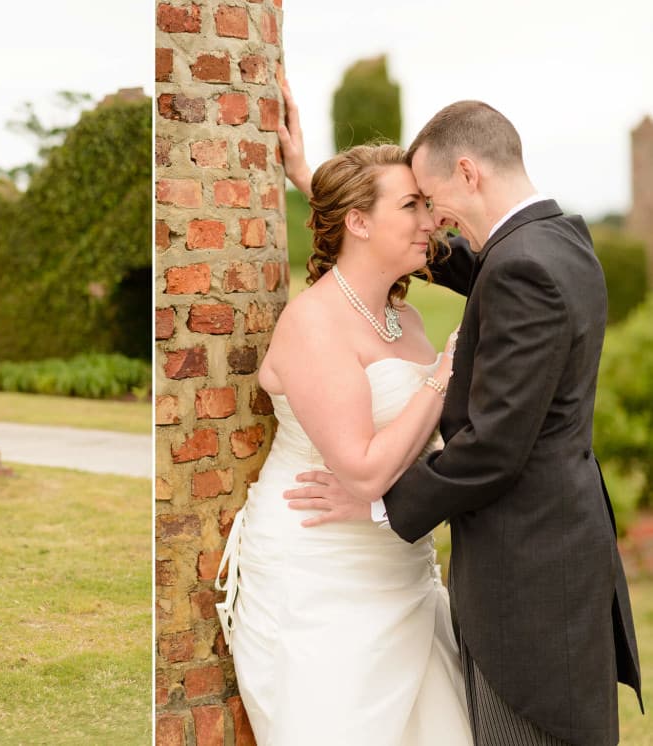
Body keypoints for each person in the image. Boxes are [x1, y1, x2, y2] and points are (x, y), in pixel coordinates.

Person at [278, 84, 641, 744]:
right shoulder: (557, 240)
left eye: (429, 198)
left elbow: (493, 447)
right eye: (412, 206)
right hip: (559, 547)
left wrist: (379, 507)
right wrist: (323, 188)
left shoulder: (522, 265)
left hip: (528, 574)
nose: (431, 219)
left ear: (466, 172)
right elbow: (468, 263)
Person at [213, 83, 472, 739]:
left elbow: (420, 450)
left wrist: (308, 176)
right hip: (319, 567)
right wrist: (440, 376)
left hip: (400, 566)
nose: (430, 220)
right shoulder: (313, 324)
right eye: (412, 205)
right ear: (358, 222)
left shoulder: (404, 316)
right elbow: (359, 471)